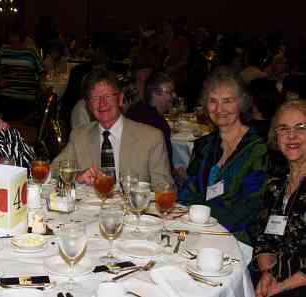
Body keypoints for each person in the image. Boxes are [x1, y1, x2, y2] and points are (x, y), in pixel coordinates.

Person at [178, 71, 268, 244]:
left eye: (227, 101)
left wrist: (208, 226)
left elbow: (250, 206)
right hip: (197, 230)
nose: (219, 109)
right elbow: (189, 192)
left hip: (235, 237)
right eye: (213, 101)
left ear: (241, 103)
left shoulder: (257, 149)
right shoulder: (203, 145)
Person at [51, 69, 171, 185]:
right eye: (95, 98)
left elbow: (164, 188)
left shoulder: (151, 138)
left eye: (108, 96)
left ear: (120, 99)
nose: (102, 104)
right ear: (89, 106)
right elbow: (54, 170)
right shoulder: (79, 136)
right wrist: (76, 176)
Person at [252, 100, 306, 297]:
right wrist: (267, 274)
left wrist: (281, 287)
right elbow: (264, 236)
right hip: (276, 276)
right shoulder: (276, 185)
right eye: (283, 128)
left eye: (301, 127)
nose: (291, 135)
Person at [125, 72, 174, 168]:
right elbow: (164, 163)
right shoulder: (158, 123)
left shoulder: (135, 109)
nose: (173, 96)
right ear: (155, 93)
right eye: (169, 92)